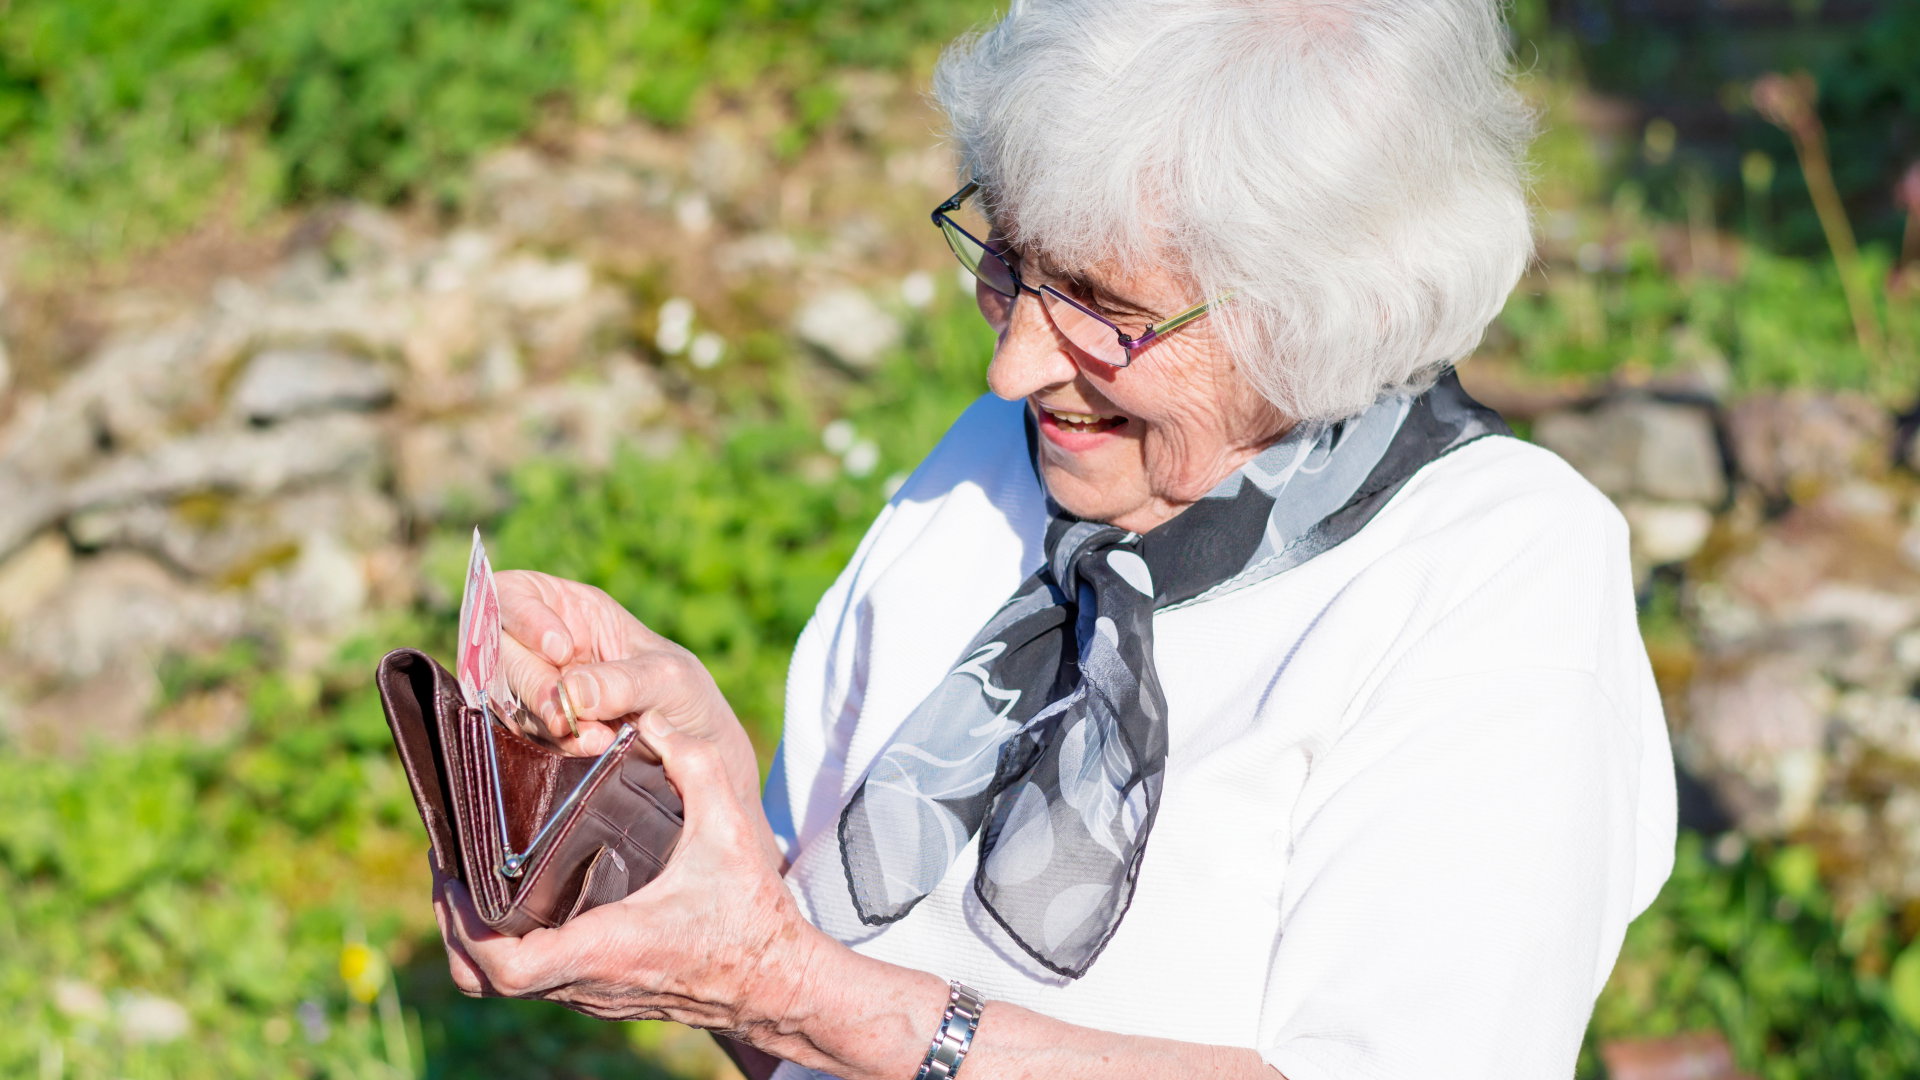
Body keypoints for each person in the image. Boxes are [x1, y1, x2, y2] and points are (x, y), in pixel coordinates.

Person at [431, 2, 1678, 1077]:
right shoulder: (997, 467)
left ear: (1323, 310)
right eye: (1012, 264)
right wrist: (665, 807)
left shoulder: (1494, 573)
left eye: (1108, 310)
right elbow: (800, 1012)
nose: (1014, 361)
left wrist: (783, 988)